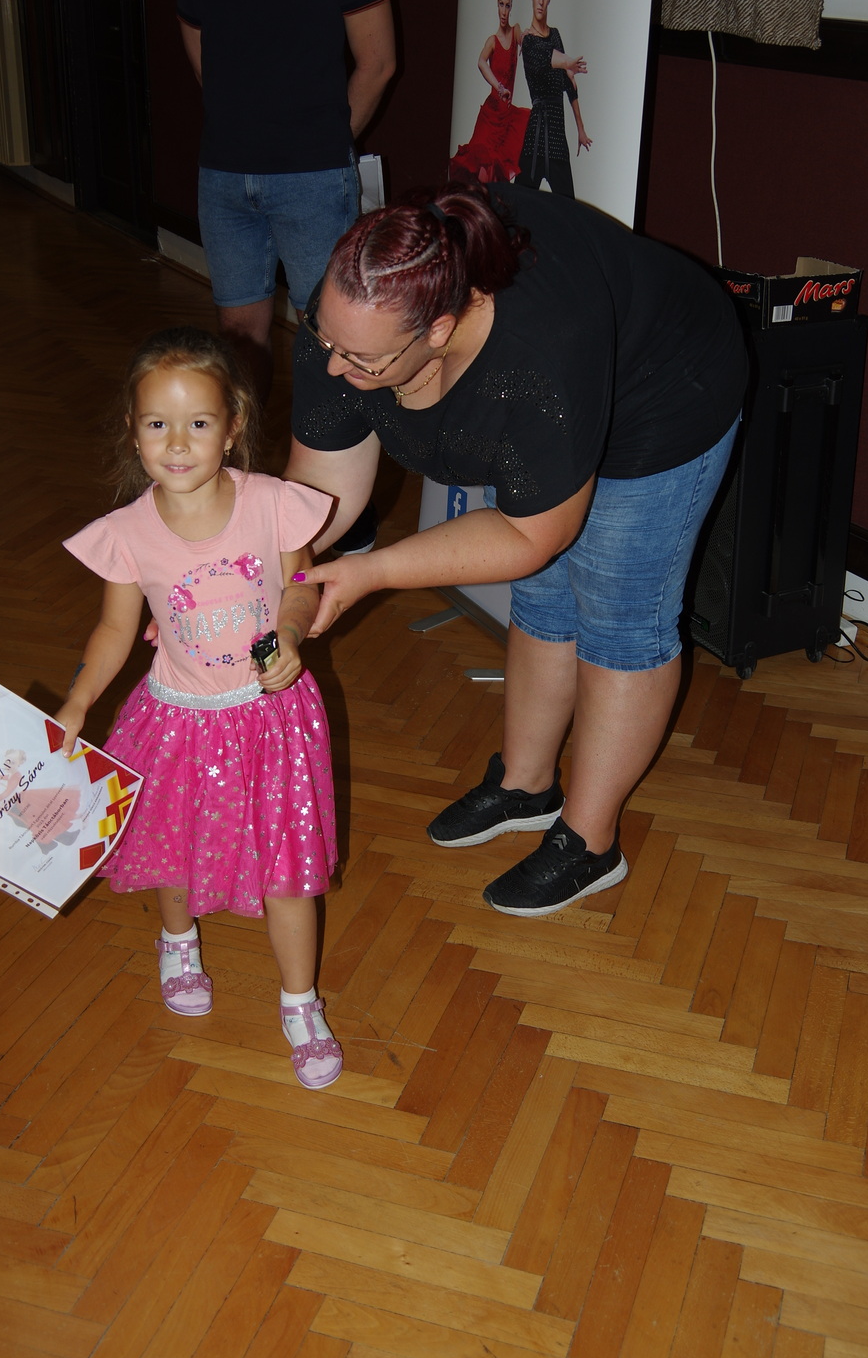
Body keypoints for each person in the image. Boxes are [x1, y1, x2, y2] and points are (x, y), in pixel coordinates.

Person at [285, 185, 747, 917]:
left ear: (439, 330)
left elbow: (532, 535)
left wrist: (370, 571)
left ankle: (590, 842)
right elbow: (317, 494)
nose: (336, 368)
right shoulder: (355, 316)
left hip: (662, 389)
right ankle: (526, 786)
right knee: (544, 595)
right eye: (327, 341)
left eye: (361, 360)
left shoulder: (537, 357)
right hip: (564, 380)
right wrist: (270, 579)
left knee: (620, 618)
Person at [56, 327, 344, 1089]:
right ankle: (177, 941)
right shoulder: (128, 533)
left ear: (233, 425)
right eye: (158, 423)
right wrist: (79, 698)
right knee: (172, 847)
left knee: (289, 865)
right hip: (178, 718)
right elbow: (115, 629)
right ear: (133, 430)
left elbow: (302, 583)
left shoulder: (270, 502)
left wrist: (290, 632)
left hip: (269, 718)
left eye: (198, 422)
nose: (178, 443)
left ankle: (301, 1001)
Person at [176, 0, 396, 405]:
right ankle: (247, 468)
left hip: (313, 181)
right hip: (223, 180)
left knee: (332, 345)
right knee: (237, 346)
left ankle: (333, 476)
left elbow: (379, 61)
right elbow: (203, 59)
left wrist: (324, 143)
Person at [517, 0, 591, 197]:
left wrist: (580, 129)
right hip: (536, 136)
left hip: (558, 136)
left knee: (568, 208)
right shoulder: (528, 41)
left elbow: (569, 85)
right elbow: (549, 58)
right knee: (518, 205)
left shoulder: (555, 35)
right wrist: (568, 62)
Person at [449, 0, 531, 183]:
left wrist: (529, 39)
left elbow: (526, 42)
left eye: (507, 5)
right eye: (501, 4)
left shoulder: (516, 31)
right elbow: (481, 62)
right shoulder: (492, 41)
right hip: (490, 116)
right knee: (480, 174)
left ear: (511, 6)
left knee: (499, 178)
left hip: (507, 119)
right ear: (497, 4)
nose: (503, 11)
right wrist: (499, 86)